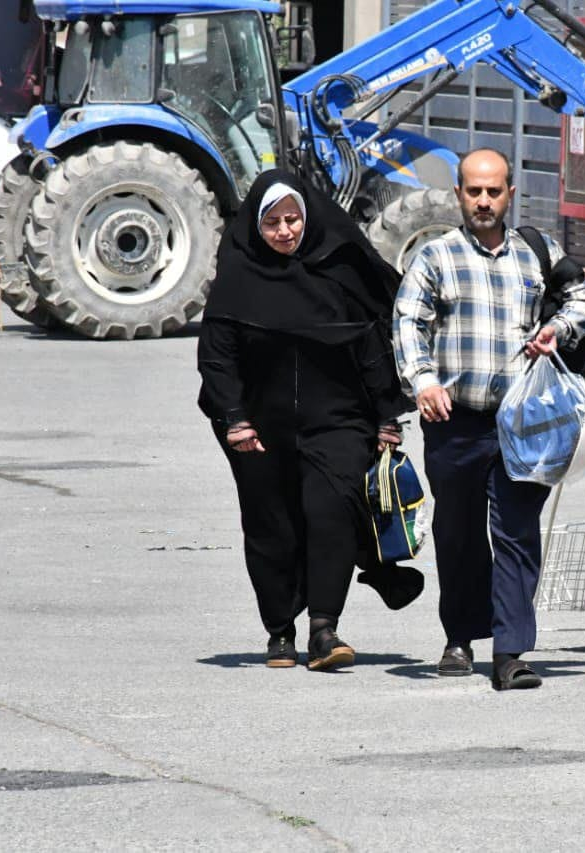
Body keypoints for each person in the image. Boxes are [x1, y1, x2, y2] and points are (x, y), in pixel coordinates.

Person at [393, 148, 585, 691]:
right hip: (454, 422)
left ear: (510, 193)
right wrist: (424, 381)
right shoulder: (435, 257)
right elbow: (408, 321)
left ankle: (510, 652)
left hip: (523, 423)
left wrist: (560, 330)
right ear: (459, 194)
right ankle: (460, 637)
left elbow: (583, 299)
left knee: (515, 534)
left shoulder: (539, 252)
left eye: (493, 191)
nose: (483, 201)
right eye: (473, 191)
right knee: (457, 533)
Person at [198, 169, 419, 671]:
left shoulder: (337, 270)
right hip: (260, 429)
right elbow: (217, 357)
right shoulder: (236, 279)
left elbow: (371, 347)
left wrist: (387, 414)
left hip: (338, 421)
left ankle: (324, 627)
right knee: (271, 526)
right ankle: (280, 631)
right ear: (256, 226)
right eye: (272, 222)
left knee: (331, 513)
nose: (284, 231)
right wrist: (234, 417)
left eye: (293, 219)